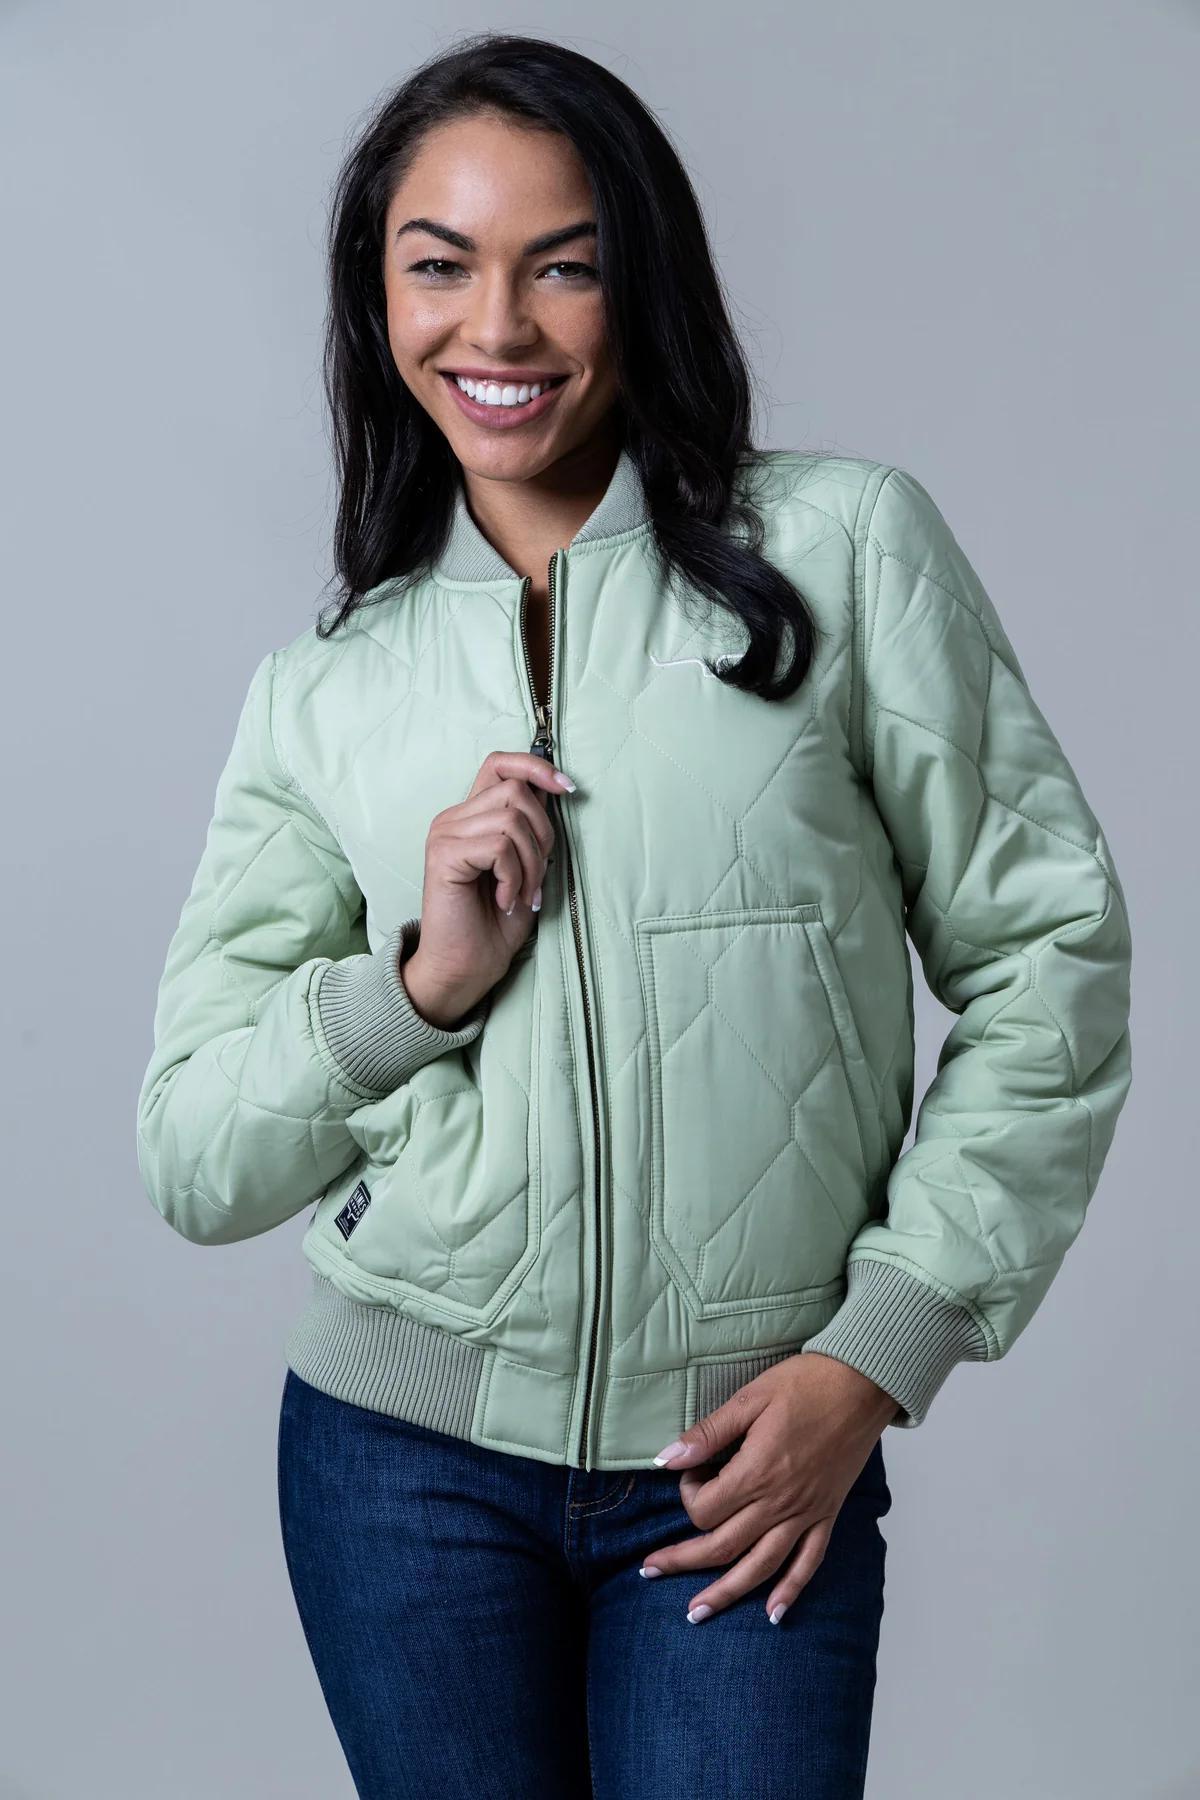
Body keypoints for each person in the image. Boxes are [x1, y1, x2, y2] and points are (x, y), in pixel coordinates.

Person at [134, 31, 1134, 1800]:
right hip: (400, 1472)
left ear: (642, 279)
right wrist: (418, 988)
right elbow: (196, 1157)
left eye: (563, 265)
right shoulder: (325, 690)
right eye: (439, 266)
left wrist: (878, 1349)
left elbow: (1050, 957)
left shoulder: (843, 553)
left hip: (748, 1455)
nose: (497, 327)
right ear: (377, 299)